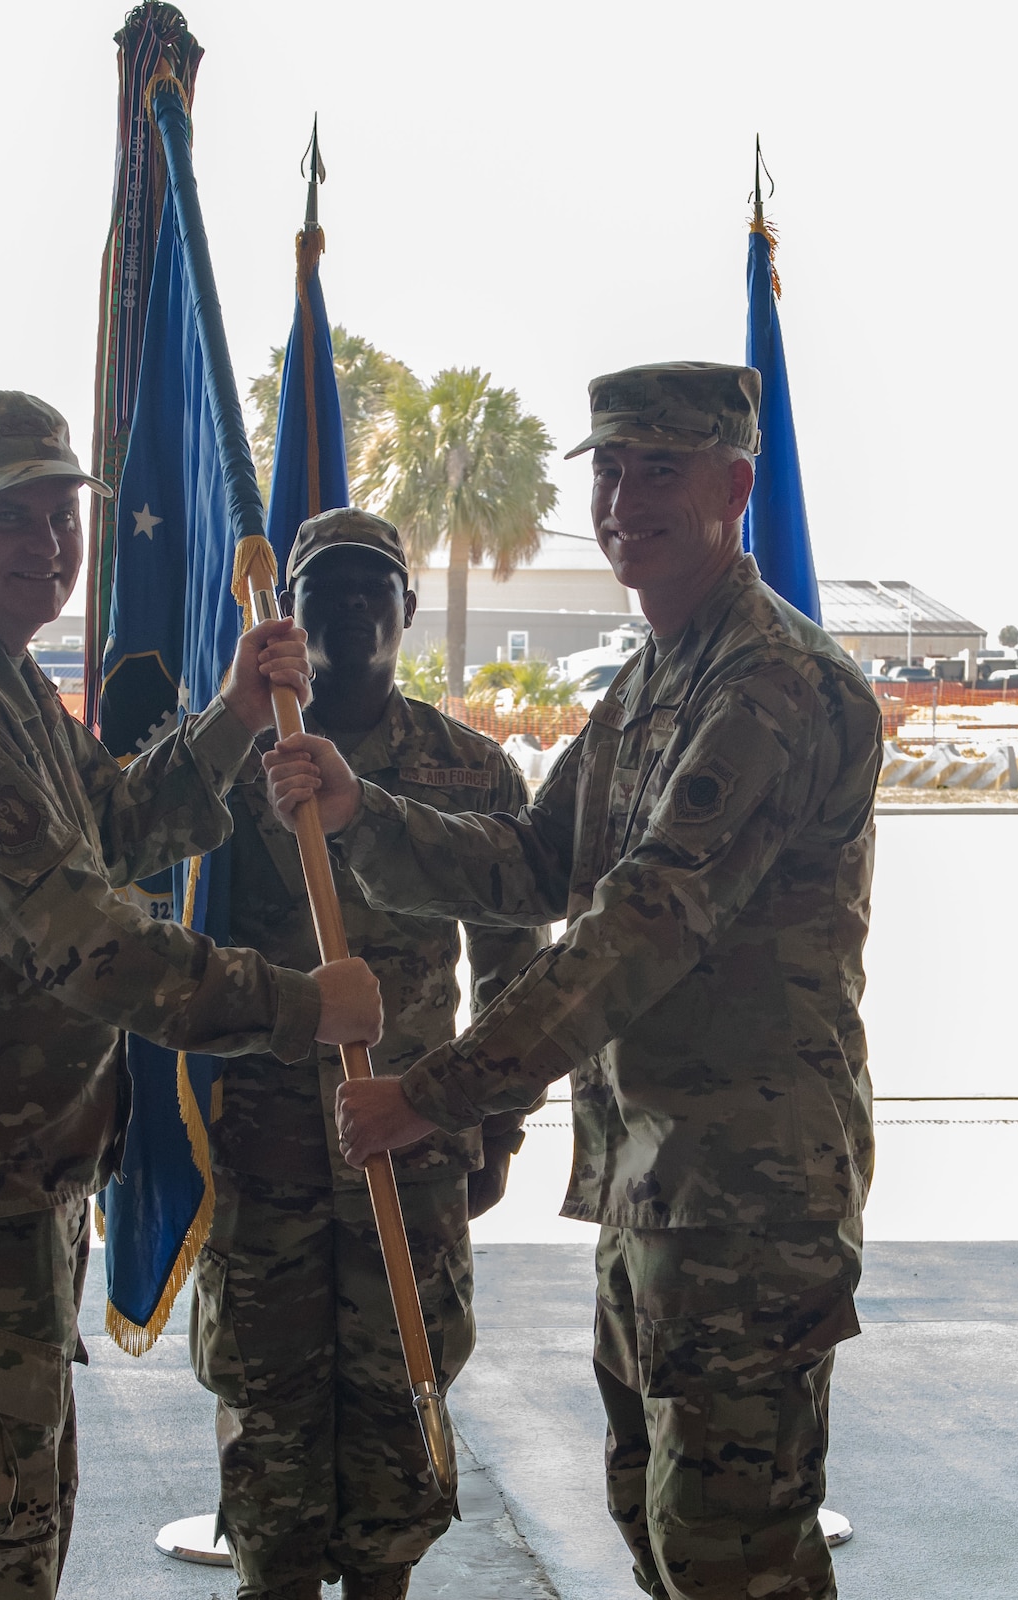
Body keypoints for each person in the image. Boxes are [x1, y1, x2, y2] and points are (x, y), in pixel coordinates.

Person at [265, 363, 880, 1600]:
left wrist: (430, 1093)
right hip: (652, 1185)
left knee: (733, 1550)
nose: (622, 496)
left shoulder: (769, 684)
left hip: (742, 1199)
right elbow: (537, 861)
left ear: (733, 485)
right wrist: (357, 810)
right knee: (659, 1524)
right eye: (606, 469)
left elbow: (636, 929)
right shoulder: (656, 677)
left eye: (660, 468)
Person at [0, 390, 384, 1600]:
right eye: (7, 516)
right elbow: (95, 950)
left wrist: (228, 720)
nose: (47, 544)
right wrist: (302, 1006)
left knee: (12, 1541)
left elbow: (113, 824)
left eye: (61, 513)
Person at [195, 509, 545, 1600]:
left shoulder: (469, 768)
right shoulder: (231, 759)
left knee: (403, 1409)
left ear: (404, 604)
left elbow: (513, 963)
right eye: (326, 586)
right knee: (271, 1432)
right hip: (267, 1147)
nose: (352, 604)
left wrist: (495, 1123)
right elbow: (170, 930)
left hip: (408, 1142)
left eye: (373, 584)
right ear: (289, 610)